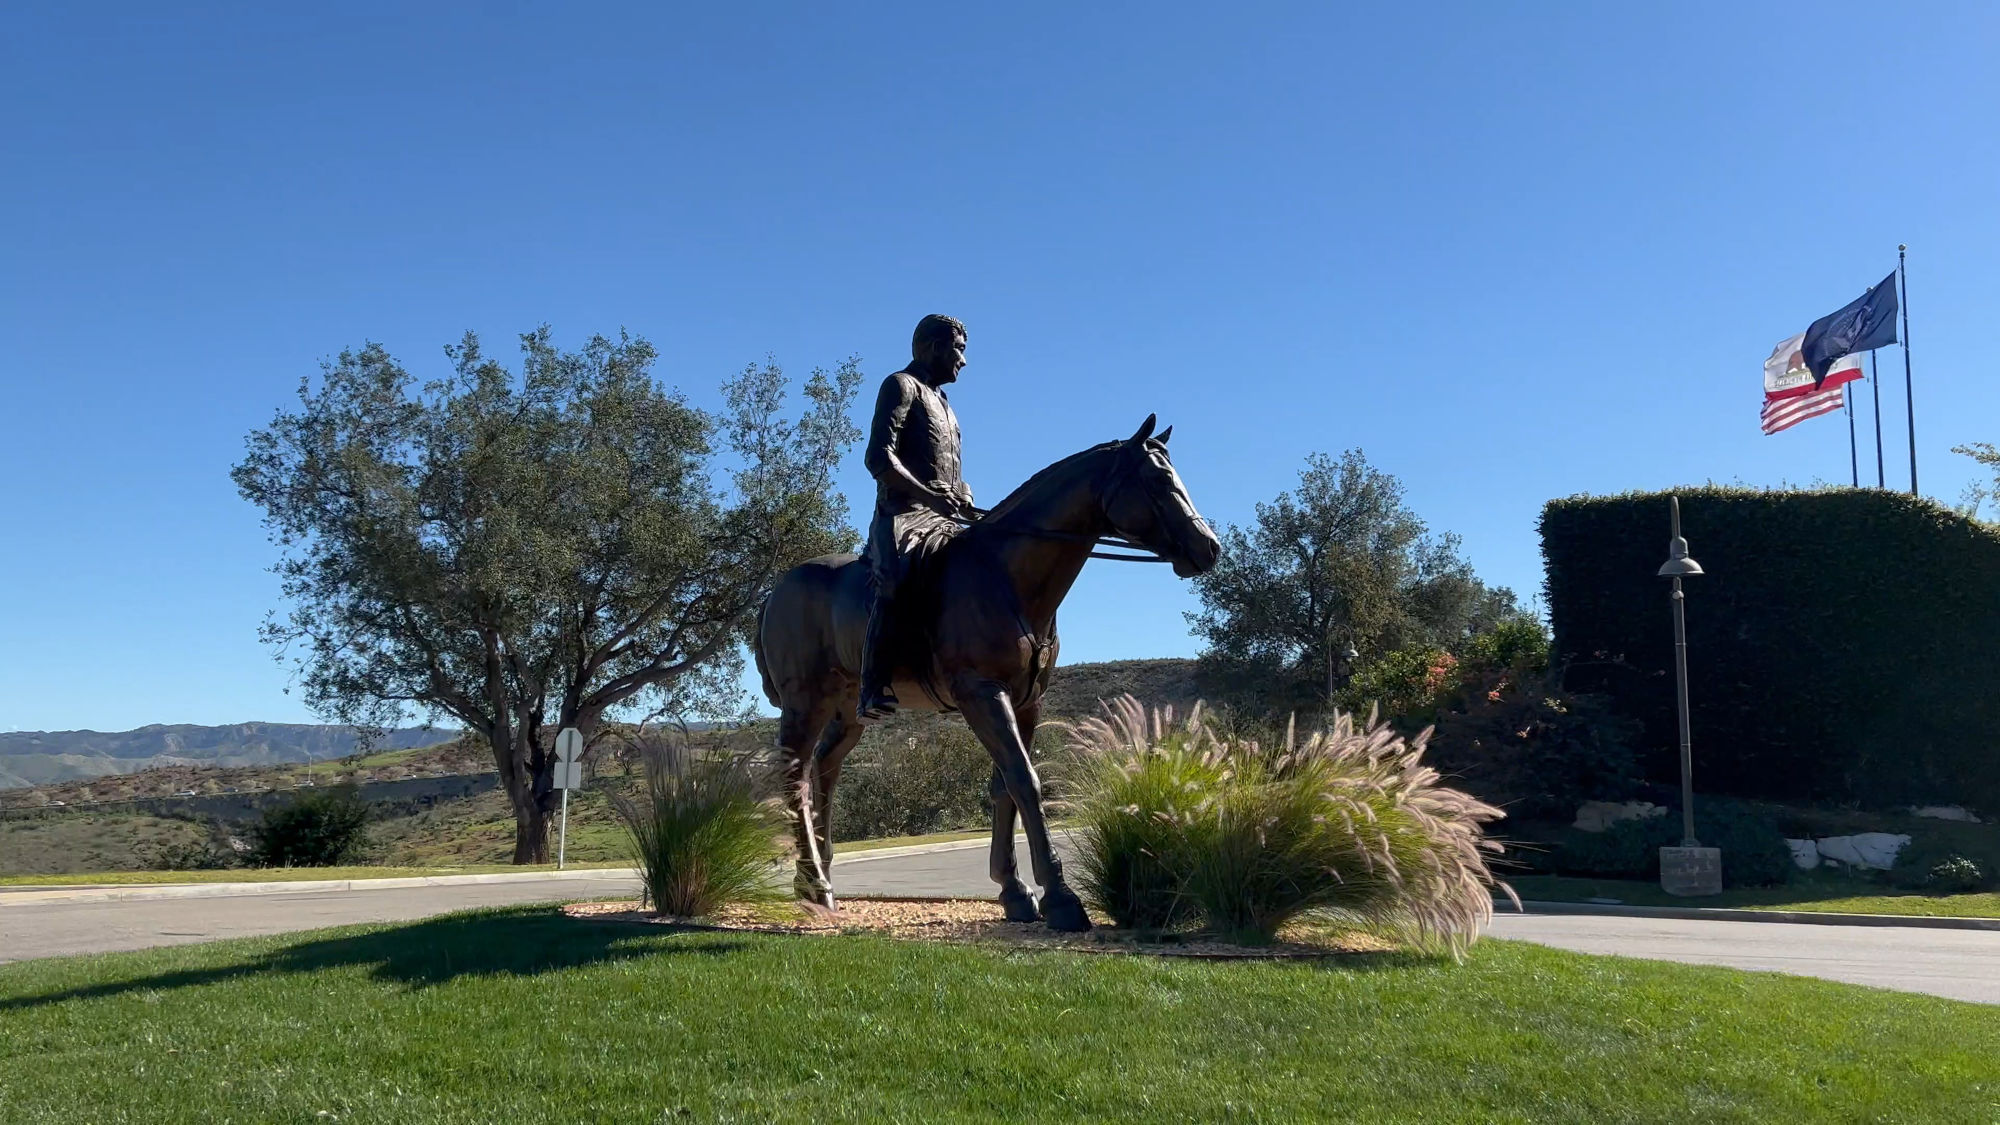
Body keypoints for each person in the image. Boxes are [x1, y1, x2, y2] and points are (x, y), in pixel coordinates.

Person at [858, 314, 974, 720]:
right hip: (902, 515)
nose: (963, 360)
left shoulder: (945, 405)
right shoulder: (900, 385)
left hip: (942, 518)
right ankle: (872, 684)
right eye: (959, 349)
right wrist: (927, 495)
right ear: (933, 346)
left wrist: (962, 493)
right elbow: (879, 457)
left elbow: (946, 471)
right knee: (895, 581)